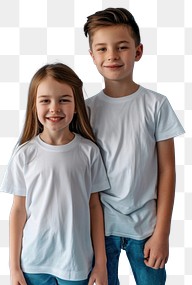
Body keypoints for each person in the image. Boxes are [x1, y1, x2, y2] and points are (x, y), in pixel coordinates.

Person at [83, 7, 185, 285]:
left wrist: (163, 232)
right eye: (102, 49)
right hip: (101, 229)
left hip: (147, 227)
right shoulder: (86, 110)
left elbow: (167, 171)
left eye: (122, 47)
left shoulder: (156, 104)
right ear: (92, 56)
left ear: (138, 51)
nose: (112, 55)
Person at [0, 63, 110, 285]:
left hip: (76, 262)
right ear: (34, 105)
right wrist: (13, 268)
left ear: (76, 105)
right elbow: (18, 211)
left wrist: (101, 263)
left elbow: (95, 207)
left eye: (64, 99)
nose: (54, 108)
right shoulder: (24, 154)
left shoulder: (89, 152)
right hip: (33, 263)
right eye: (45, 100)